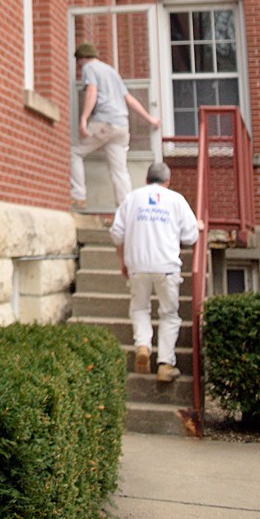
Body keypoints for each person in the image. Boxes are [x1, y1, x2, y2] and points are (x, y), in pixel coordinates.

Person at [110, 160, 200, 383]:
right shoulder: (176, 200)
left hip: (137, 266)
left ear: (146, 179)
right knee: (169, 314)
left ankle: (142, 346)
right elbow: (190, 236)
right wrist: (199, 226)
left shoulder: (132, 198)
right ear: (168, 181)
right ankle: (165, 364)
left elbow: (116, 233)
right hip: (166, 267)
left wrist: (123, 261)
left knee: (140, 308)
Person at [71, 40, 160, 209]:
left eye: (78, 63)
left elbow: (92, 91)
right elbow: (129, 100)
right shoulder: (111, 71)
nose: (79, 67)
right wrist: (150, 119)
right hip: (121, 126)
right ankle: (125, 209)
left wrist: (84, 118)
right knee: (119, 171)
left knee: (75, 152)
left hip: (104, 121)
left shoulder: (89, 68)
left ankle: (78, 196)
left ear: (81, 59)